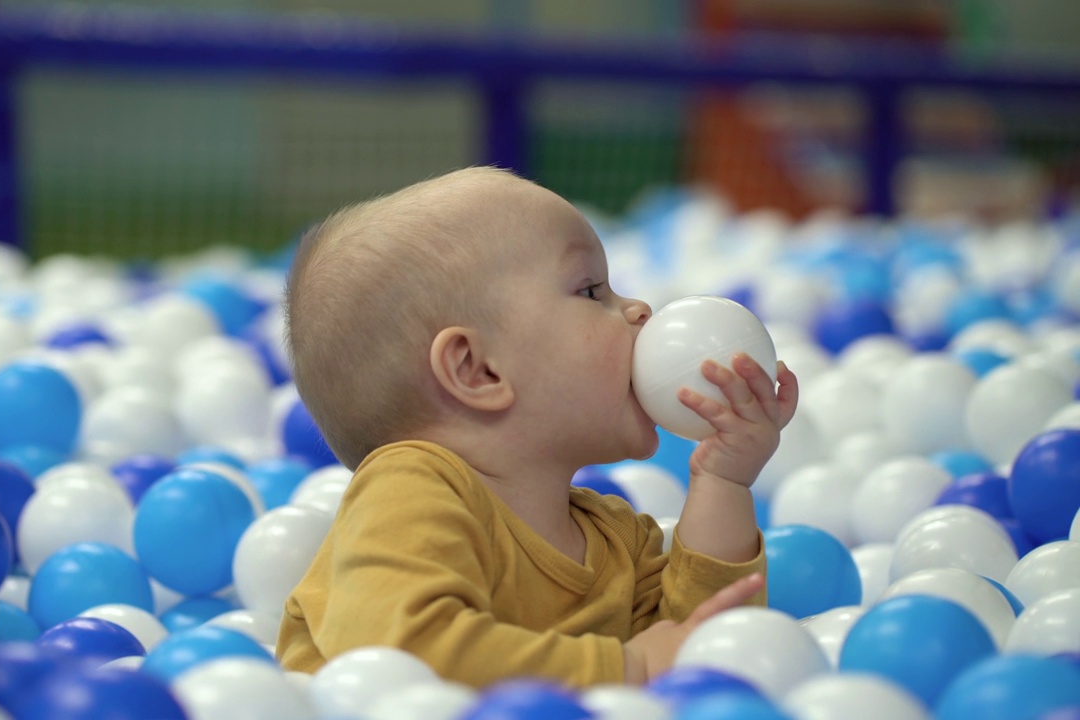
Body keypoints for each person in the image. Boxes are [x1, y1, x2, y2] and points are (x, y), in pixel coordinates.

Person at [277, 166, 799, 688]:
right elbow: (400, 659)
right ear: (477, 371)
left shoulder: (615, 539)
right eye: (592, 291)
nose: (640, 310)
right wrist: (628, 667)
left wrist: (724, 482)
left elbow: (700, 655)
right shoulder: (407, 493)